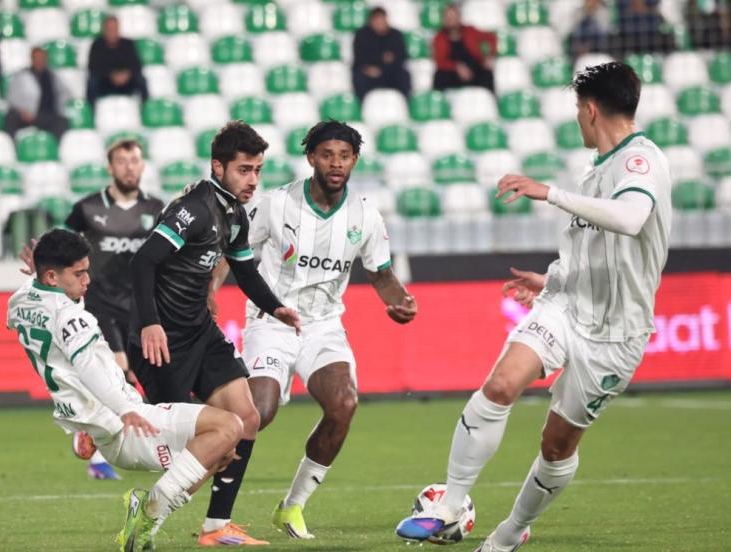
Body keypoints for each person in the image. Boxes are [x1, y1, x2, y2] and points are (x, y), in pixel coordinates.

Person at [395, 61, 672, 551]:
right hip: (565, 303)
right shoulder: (595, 170)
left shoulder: (640, 161)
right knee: (502, 384)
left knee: (557, 444)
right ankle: (450, 505)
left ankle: (509, 533)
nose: (577, 119)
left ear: (590, 111)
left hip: (617, 334)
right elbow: (599, 251)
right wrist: (550, 279)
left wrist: (551, 194)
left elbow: (630, 219)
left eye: (577, 110)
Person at [209, 120, 417, 539]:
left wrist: (400, 299)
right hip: (271, 322)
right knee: (258, 412)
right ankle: (207, 483)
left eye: (344, 156)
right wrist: (211, 290)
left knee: (344, 403)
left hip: (323, 326)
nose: (336, 163)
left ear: (354, 160)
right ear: (311, 158)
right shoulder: (276, 204)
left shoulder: (365, 215)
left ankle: (292, 506)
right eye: (327, 155)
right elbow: (233, 251)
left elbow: (380, 273)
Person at [7, 228, 243, 552]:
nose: (87, 280)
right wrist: (126, 409)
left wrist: (39, 278)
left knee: (223, 451)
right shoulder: (71, 318)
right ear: (51, 276)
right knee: (230, 426)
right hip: (122, 425)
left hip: (98, 422)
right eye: (78, 273)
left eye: (87, 270)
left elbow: (31, 308)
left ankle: (145, 519)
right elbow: (88, 365)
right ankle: (148, 512)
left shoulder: (19, 301)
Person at [128, 121, 301, 546]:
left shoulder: (235, 215)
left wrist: (275, 306)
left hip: (200, 332)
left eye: (258, 170)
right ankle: (145, 505)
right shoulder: (195, 209)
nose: (253, 180)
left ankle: (215, 525)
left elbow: (244, 269)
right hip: (164, 340)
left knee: (247, 418)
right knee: (188, 447)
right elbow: (143, 262)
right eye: (244, 170)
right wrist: (150, 323)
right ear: (218, 167)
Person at [21, 139, 164, 480]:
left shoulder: (156, 207)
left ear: (142, 166)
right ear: (110, 167)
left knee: (135, 376)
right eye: (122, 161)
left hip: (139, 305)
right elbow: (59, 244)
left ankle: (100, 437)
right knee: (117, 368)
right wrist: (42, 265)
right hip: (99, 302)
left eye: (135, 160)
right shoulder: (86, 208)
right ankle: (99, 454)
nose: (129, 167)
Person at [4, 47, 70, 141]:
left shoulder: (52, 76)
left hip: (46, 115)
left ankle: (55, 147)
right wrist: (23, 111)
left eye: (42, 58)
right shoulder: (22, 76)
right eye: (37, 58)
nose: (40, 61)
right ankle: (10, 145)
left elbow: (65, 93)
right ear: (32, 59)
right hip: (26, 114)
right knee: (10, 117)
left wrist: (60, 108)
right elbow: (11, 97)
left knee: (62, 121)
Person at [351, 7, 412, 101]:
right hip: (369, 73)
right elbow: (360, 58)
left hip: (390, 72)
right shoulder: (361, 35)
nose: (380, 23)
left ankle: (403, 103)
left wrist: (382, 68)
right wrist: (376, 64)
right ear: (371, 21)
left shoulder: (396, 35)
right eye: (377, 21)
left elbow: (401, 58)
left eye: (382, 20)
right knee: (359, 77)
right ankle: (364, 105)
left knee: (404, 76)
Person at [432, 4, 496, 92]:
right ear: (444, 20)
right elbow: (440, 61)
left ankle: (488, 97)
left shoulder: (470, 31)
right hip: (453, 71)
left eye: (453, 17)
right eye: (448, 18)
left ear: (459, 18)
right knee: (440, 76)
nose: (451, 20)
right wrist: (457, 67)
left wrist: (489, 56)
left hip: (473, 69)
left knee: (487, 72)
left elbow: (491, 37)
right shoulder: (439, 38)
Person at [86, 15, 148, 107]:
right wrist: (111, 75)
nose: (112, 32)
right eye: (109, 29)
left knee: (141, 79)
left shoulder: (128, 44)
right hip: (105, 82)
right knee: (92, 82)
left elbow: (136, 65)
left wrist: (126, 74)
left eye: (114, 29)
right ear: (104, 30)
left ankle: (145, 108)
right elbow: (93, 66)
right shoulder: (97, 45)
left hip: (126, 82)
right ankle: (91, 111)